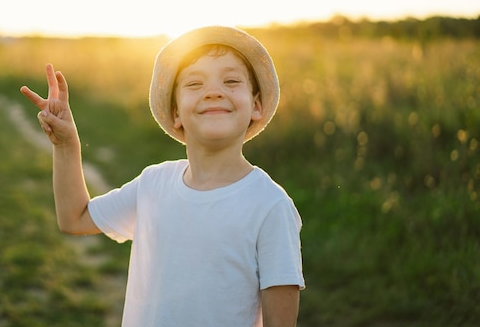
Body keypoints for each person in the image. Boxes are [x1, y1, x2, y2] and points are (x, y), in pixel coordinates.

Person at [20, 26, 305, 327]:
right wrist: (66, 144)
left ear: (256, 106)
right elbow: (74, 218)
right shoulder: (153, 185)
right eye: (194, 83)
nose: (213, 91)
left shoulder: (270, 206)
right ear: (176, 113)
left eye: (231, 81)